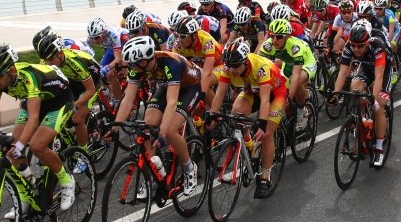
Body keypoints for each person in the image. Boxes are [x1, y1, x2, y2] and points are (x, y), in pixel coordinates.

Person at [0, 45, 76, 212]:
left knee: (36, 145)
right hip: (33, 101)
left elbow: (33, 118)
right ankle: (26, 195)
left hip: (59, 101)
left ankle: (67, 181)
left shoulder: (29, 76)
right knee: (11, 147)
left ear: (12, 70)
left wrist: (20, 145)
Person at [115, 36, 201, 196]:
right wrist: (115, 127)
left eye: (133, 64)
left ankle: (189, 167)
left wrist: (162, 133)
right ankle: (154, 176)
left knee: (171, 130)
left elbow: (172, 102)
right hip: (167, 86)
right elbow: (127, 99)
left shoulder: (171, 63)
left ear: (143, 62)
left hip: (191, 87)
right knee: (146, 126)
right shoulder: (138, 66)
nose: (131, 68)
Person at [209, 39, 289, 199]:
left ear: (245, 61)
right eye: (229, 65)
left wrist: (262, 124)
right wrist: (212, 115)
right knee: (236, 113)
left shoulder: (261, 67)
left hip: (275, 93)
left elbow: (265, 100)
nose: (231, 70)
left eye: (235, 66)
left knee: (267, 134)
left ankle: (265, 176)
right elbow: (219, 94)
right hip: (252, 90)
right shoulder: (228, 68)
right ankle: (250, 144)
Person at [329, 24, 392, 168]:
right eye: (354, 45)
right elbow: (343, 72)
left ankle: (379, 149)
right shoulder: (348, 47)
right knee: (354, 88)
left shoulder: (377, 46)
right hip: (366, 68)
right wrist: (336, 95)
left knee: (379, 105)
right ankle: (363, 119)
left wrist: (374, 100)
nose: (356, 49)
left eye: (360, 46)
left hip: (383, 70)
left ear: (367, 43)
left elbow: (379, 76)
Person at [35, 32, 102, 161]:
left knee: (77, 119)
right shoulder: (46, 61)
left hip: (92, 84)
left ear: (60, 54)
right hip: (72, 81)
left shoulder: (75, 63)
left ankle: (84, 156)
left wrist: (74, 105)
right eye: (46, 60)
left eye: (51, 60)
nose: (48, 64)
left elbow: (90, 90)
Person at [259, 19, 318, 131]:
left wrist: (289, 98)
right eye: (272, 36)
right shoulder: (268, 45)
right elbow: (258, 66)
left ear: (287, 37)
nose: (274, 40)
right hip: (289, 63)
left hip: (307, 63)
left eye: (279, 36)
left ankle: (301, 111)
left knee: (295, 82)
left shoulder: (295, 47)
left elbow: (295, 76)